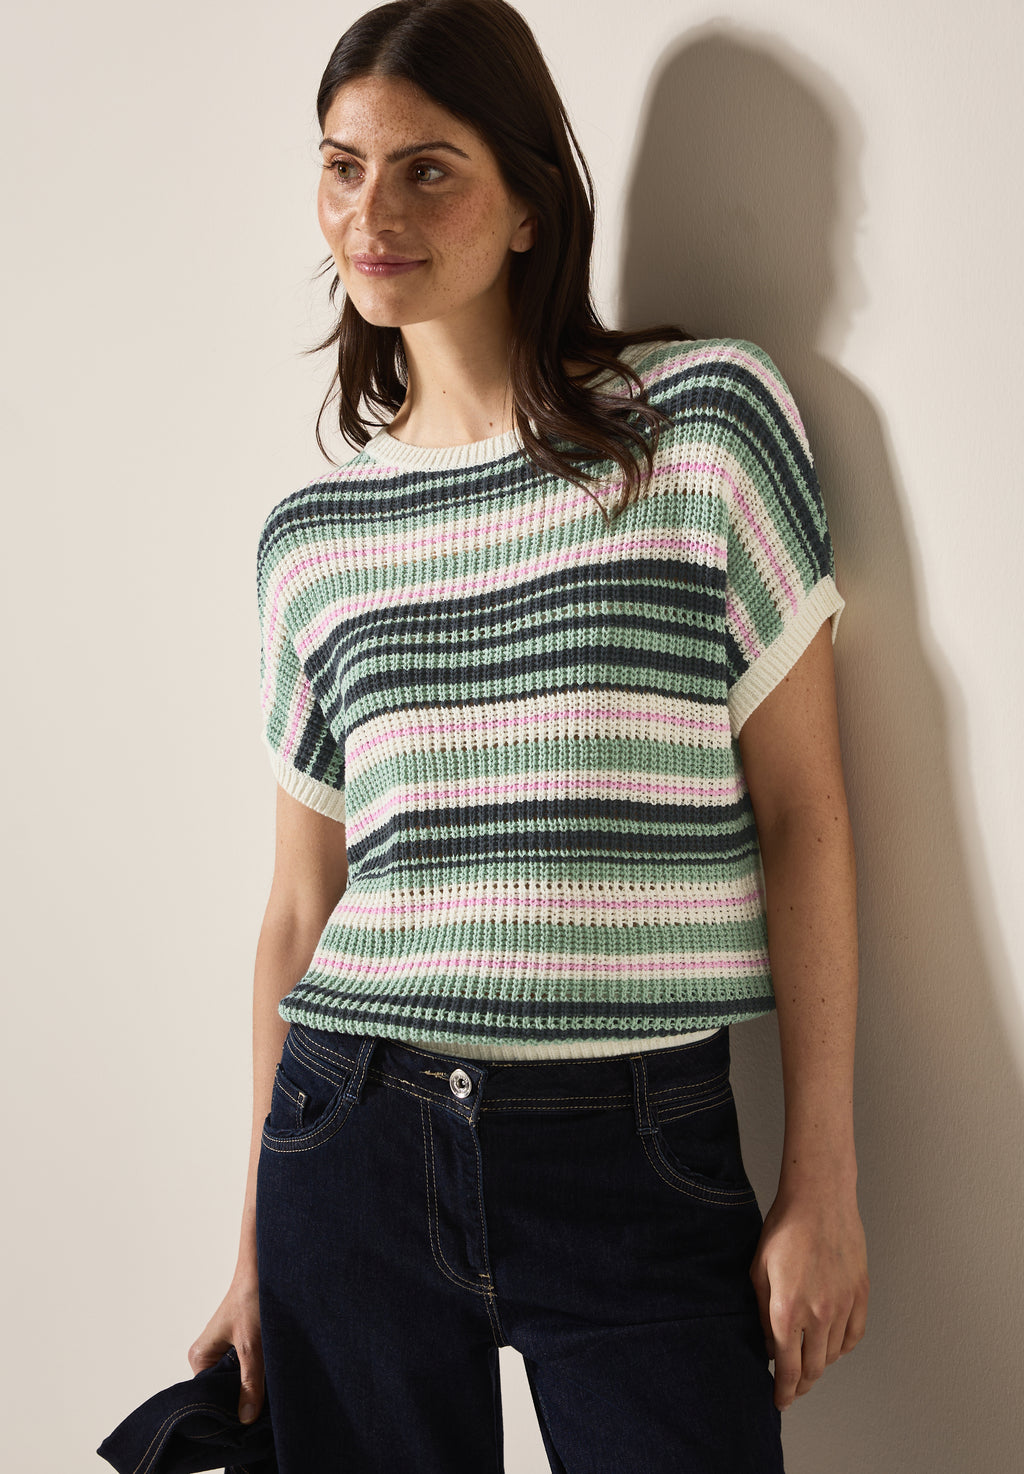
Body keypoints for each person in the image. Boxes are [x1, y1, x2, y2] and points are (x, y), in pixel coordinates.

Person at [187, 2, 869, 1469]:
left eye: (427, 168)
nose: (371, 212)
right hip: (351, 1136)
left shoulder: (702, 427)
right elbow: (299, 906)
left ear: (527, 206)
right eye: (343, 166)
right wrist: (251, 1248)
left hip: (639, 1146)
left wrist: (823, 1176)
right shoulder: (314, 537)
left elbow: (806, 815)